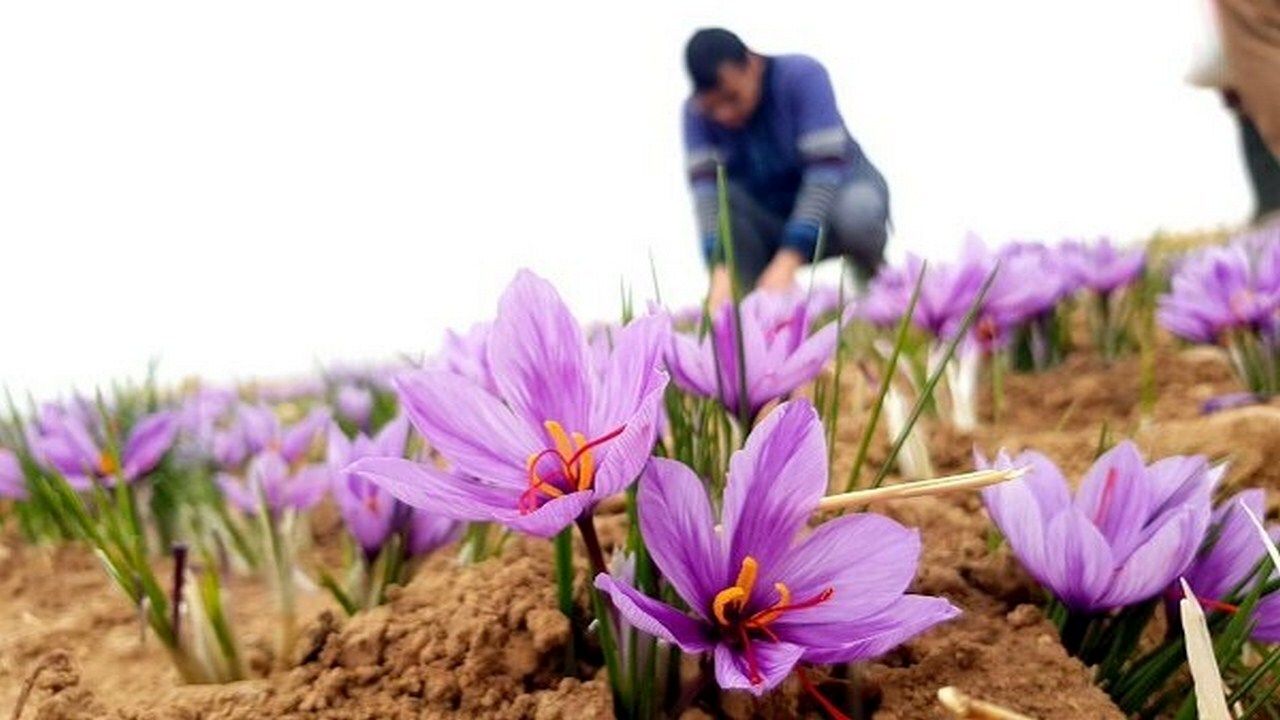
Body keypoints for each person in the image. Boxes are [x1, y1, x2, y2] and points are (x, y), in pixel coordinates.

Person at [682, 28, 890, 307]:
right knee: (725, 198)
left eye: (732, 98)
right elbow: (706, 196)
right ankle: (746, 306)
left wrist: (789, 259)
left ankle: (879, 284)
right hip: (770, 218)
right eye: (712, 108)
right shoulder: (695, 114)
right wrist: (719, 268)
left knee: (858, 214)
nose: (724, 115)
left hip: (835, 203)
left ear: (752, 64)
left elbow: (823, 172)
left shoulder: (801, 76)